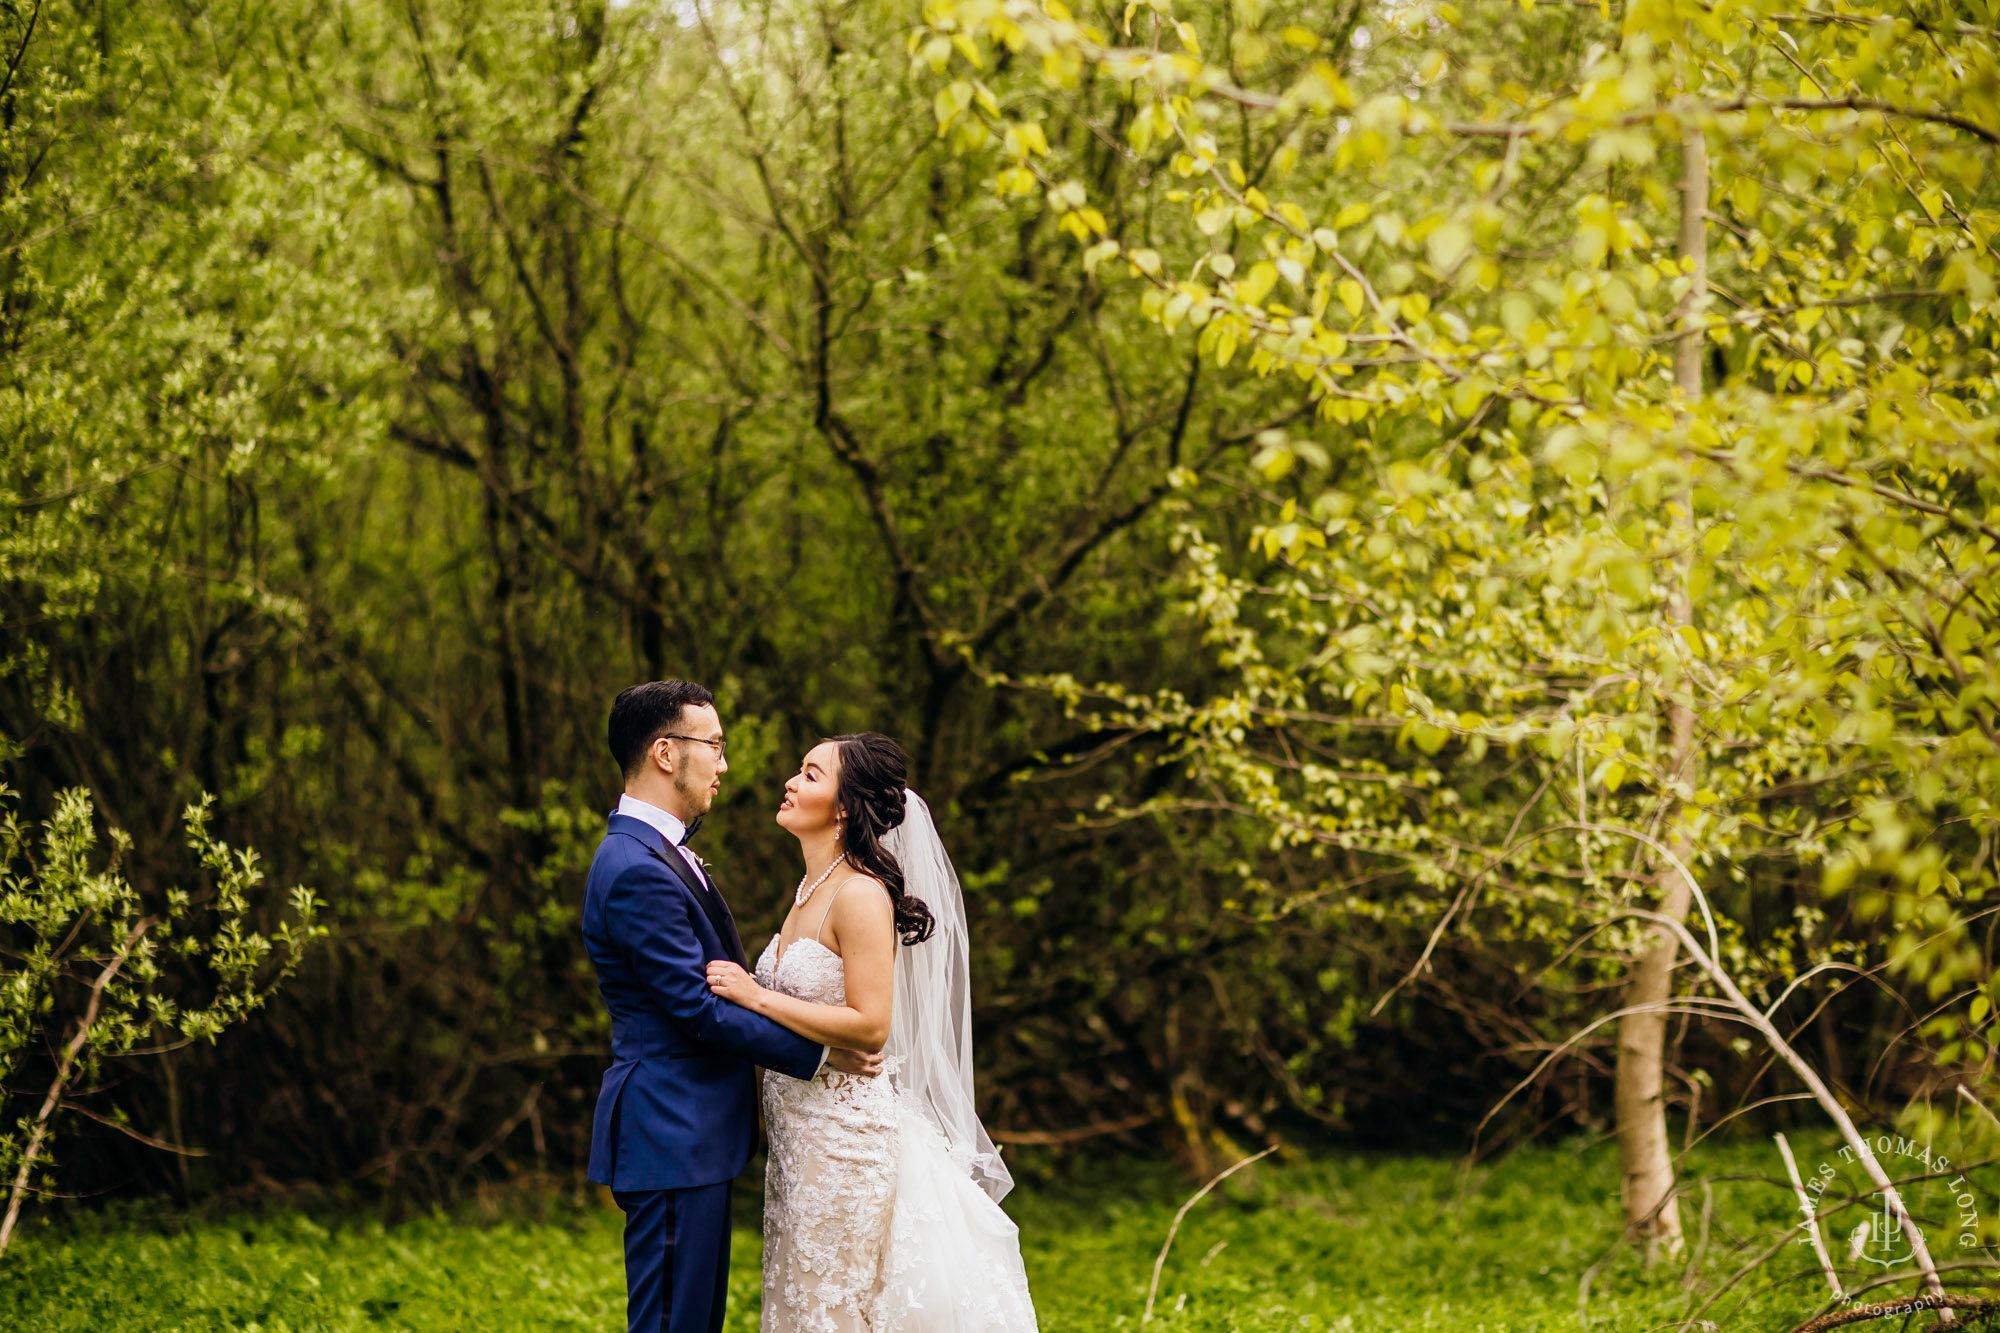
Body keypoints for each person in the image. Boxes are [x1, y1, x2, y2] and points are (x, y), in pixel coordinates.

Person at [704, 732, 1039, 1332]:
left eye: (810, 774)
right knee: (804, 1299)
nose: (790, 781)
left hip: (843, 1140)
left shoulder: (859, 893)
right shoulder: (808, 889)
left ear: (843, 807)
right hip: (798, 1136)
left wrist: (755, 996)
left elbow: (871, 1025)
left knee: (831, 1304)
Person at [582, 681, 883, 1333]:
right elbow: (697, 1006)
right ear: (666, 753)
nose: (724, 763)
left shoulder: (664, 850)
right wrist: (825, 1053)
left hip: (693, 1135)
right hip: (670, 1129)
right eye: (714, 745)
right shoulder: (636, 866)